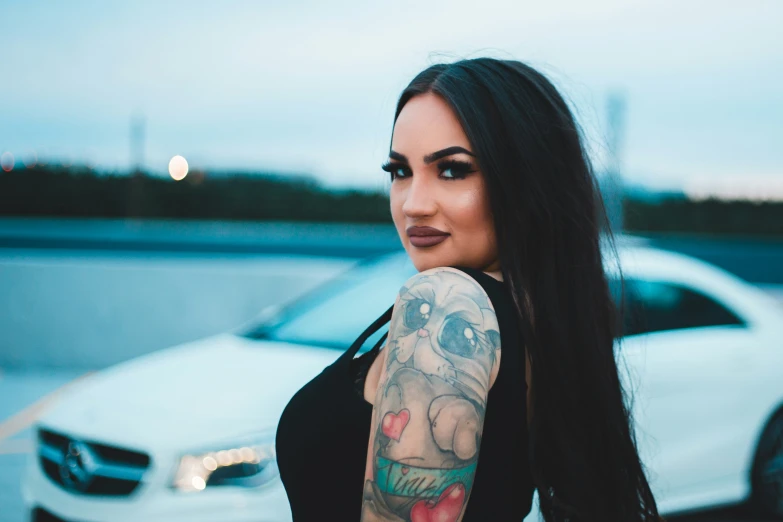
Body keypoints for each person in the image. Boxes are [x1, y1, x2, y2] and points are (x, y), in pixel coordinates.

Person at [275, 57, 660, 522]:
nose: (414, 204)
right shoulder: (537, 313)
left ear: (525, 181)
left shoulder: (446, 304)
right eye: (400, 172)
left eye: (453, 170)